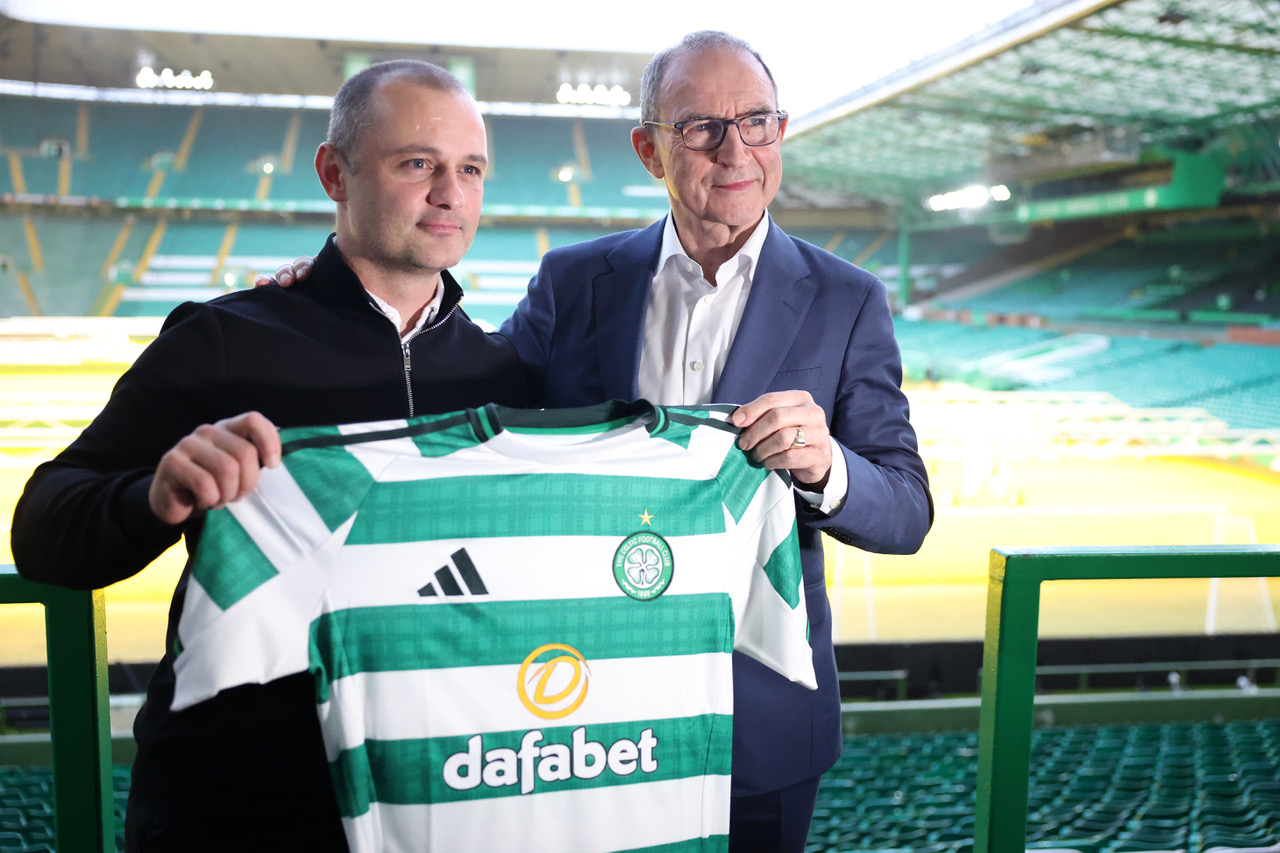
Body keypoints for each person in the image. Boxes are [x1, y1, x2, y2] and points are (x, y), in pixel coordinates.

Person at [265, 31, 932, 852]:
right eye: (700, 128)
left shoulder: (847, 299)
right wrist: (346, 279)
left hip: (757, 724)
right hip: (580, 715)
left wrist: (828, 466)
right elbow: (457, 401)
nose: (736, 151)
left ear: (781, 135)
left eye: (757, 122)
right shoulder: (575, 281)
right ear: (649, 151)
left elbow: (906, 509)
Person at [11, 60, 527, 852]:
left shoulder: (510, 375)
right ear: (334, 172)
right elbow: (44, 528)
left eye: (471, 170)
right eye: (417, 163)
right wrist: (156, 494)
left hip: (448, 804)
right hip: (240, 808)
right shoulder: (222, 340)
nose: (450, 194)